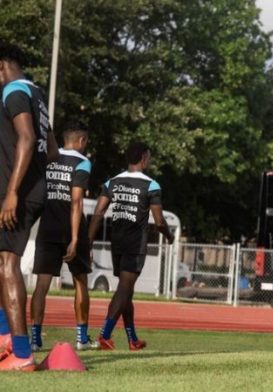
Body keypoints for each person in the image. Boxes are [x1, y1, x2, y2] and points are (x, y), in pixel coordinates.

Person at [0, 44, 59, 371]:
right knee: (1, 262)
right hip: (35, 188)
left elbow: (25, 138)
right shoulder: (37, 95)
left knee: (7, 263)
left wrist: (12, 191)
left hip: (18, 192)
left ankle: (21, 354)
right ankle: (5, 339)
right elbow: (51, 151)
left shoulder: (13, 91)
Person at [89, 142, 174, 351]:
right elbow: (159, 221)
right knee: (124, 289)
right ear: (144, 158)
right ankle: (104, 335)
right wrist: (169, 236)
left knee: (126, 290)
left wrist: (87, 241)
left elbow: (99, 212)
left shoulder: (112, 182)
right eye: (150, 157)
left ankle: (133, 339)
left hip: (116, 243)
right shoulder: (151, 185)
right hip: (135, 243)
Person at [30, 122, 98, 352]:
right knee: (80, 281)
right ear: (81, 141)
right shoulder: (82, 162)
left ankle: (35, 340)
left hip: (47, 228)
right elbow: (76, 201)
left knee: (42, 285)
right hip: (71, 230)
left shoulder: (48, 157)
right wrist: (76, 238)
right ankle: (81, 338)